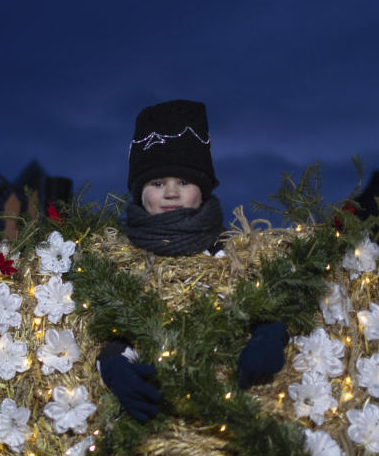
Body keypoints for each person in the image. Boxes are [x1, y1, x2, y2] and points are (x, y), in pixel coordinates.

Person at [95, 100, 289, 421]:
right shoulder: (120, 257)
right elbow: (110, 327)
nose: (171, 193)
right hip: (153, 413)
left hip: (229, 411)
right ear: (140, 192)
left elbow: (266, 300)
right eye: (158, 184)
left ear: (202, 188)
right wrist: (114, 364)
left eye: (183, 182)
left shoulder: (233, 251)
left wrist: (270, 331)